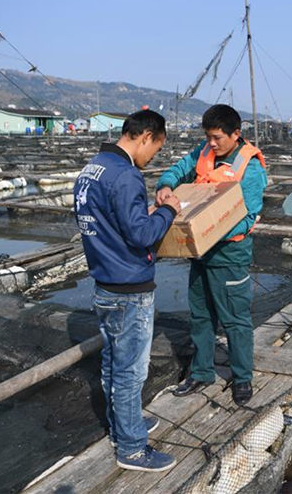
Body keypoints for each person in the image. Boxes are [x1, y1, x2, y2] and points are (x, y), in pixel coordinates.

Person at [74, 109, 181, 472]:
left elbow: (113, 223)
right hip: (129, 287)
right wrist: (167, 211)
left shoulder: (92, 169)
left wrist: (144, 214)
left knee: (111, 362)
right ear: (146, 136)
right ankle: (132, 447)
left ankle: (122, 423)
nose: (153, 159)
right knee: (131, 370)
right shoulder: (126, 176)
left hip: (104, 282)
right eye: (156, 150)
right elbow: (141, 235)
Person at [155, 104, 267, 406]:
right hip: (199, 255)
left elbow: (249, 216)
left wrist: (209, 230)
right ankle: (202, 371)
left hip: (229, 256)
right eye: (208, 137)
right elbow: (179, 169)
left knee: (235, 320)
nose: (212, 144)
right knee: (201, 317)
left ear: (235, 134)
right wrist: (165, 185)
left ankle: (242, 377)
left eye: (217, 138)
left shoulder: (250, 169)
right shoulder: (203, 152)